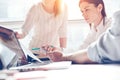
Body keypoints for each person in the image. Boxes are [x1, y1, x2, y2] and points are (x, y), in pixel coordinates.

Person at [46, 10, 120, 64]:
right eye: (82, 11)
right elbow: (82, 48)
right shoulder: (93, 29)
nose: (84, 14)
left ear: (99, 8)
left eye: (87, 9)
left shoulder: (111, 25)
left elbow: (97, 52)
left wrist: (64, 57)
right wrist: (61, 52)